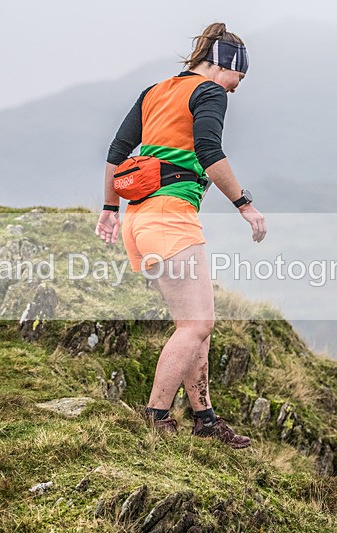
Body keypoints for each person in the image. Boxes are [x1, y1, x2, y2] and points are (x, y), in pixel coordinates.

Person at [96, 23, 267, 448]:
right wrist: (244, 203)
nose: (235, 90)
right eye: (238, 79)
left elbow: (117, 154)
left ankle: (205, 419)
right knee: (198, 324)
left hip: (139, 220)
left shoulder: (154, 91)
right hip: (171, 217)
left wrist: (108, 210)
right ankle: (156, 416)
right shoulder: (207, 92)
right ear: (222, 66)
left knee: (194, 326)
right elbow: (210, 154)